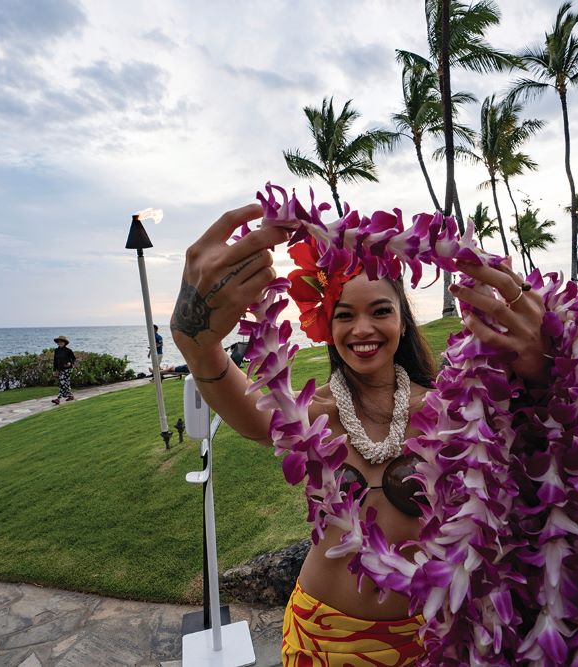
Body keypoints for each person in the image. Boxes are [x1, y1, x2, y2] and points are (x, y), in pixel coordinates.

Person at [171, 204, 550, 665]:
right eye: (344, 315)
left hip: (430, 638)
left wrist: (546, 367)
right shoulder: (307, 412)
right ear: (328, 328)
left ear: (403, 321)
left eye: (380, 311)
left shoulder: (451, 410)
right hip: (323, 636)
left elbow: (535, 447)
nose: (363, 328)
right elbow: (240, 404)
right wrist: (197, 341)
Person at [51, 335, 76, 405]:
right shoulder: (56, 351)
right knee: (65, 384)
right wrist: (55, 370)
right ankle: (70, 396)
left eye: (61, 341)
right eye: (59, 342)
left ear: (64, 342)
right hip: (60, 369)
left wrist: (70, 363)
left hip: (68, 369)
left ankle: (58, 399)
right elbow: (55, 361)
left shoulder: (68, 351)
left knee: (62, 383)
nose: (60, 343)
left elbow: (74, 359)